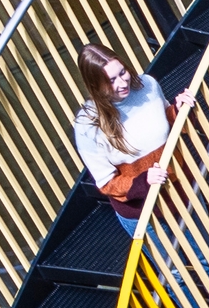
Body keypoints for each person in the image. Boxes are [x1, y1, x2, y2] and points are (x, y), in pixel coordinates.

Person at [73, 41, 175, 237]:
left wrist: (180, 109)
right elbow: (107, 183)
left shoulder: (148, 85)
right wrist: (143, 181)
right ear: (95, 85)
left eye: (122, 72)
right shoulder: (87, 124)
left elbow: (166, 123)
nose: (122, 83)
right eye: (111, 80)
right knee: (175, 260)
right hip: (145, 214)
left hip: (181, 191)